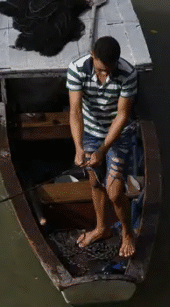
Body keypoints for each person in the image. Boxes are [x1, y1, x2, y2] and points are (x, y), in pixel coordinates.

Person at [66, 35, 139, 258]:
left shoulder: (128, 73)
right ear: (92, 56)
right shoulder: (76, 69)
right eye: (100, 69)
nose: (105, 74)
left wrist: (102, 150)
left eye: (109, 69)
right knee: (95, 182)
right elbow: (75, 111)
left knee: (114, 191)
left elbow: (123, 115)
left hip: (118, 134)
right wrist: (79, 148)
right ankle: (101, 228)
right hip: (90, 131)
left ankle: (127, 233)